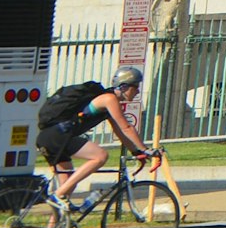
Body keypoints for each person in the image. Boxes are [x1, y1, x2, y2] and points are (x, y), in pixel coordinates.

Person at [37, 67, 156, 210]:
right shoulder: (109, 99)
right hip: (58, 136)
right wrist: (145, 149)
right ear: (124, 86)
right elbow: (127, 128)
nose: (137, 91)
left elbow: (120, 133)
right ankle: (58, 194)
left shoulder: (108, 101)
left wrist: (136, 152)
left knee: (68, 184)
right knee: (100, 156)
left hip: (48, 137)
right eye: (135, 86)